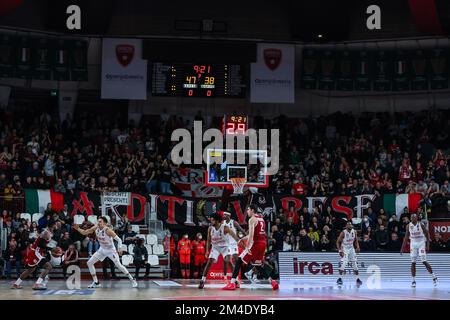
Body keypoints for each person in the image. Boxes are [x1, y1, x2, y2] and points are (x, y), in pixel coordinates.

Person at [222, 204, 279, 291]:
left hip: (255, 244)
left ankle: (232, 283)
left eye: (248, 210)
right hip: (262, 244)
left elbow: (251, 235)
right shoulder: (261, 219)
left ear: (252, 210)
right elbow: (255, 234)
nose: (247, 211)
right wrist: (243, 238)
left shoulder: (252, 219)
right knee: (258, 265)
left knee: (238, 261)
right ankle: (273, 282)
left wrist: (247, 247)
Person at [73, 216, 138, 288]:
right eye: (98, 221)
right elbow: (84, 232)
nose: (98, 223)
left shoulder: (108, 230)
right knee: (89, 262)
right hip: (102, 249)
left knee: (119, 265)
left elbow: (119, 240)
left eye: (100, 221)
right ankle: (96, 282)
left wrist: (119, 248)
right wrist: (78, 229)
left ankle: (132, 279)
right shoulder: (95, 228)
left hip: (111, 250)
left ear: (105, 223)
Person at [198, 213, 238, 289]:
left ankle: (235, 280)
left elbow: (235, 236)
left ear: (217, 220)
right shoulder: (210, 228)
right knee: (209, 261)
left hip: (225, 246)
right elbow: (209, 240)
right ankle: (202, 281)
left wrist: (241, 242)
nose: (211, 221)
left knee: (228, 261)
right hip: (215, 247)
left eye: (212, 220)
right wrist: (207, 251)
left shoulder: (225, 228)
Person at [11, 224, 56, 290]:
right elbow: (40, 245)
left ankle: (16, 284)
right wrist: (50, 249)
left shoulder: (46, 233)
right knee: (48, 266)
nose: (56, 226)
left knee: (30, 270)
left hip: (33, 252)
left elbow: (39, 243)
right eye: (55, 225)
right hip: (35, 252)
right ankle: (37, 284)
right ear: (52, 226)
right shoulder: (46, 233)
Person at [401, 213, 438, 288]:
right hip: (413, 244)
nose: (413, 218)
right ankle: (413, 281)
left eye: (414, 217)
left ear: (417, 218)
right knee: (413, 263)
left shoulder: (421, 225)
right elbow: (406, 237)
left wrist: (428, 245)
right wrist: (402, 248)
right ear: (410, 218)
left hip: (421, 242)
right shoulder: (408, 226)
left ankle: (434, 277)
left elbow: (427, 234)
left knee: (424, 261)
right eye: (411, 217)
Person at [222, 211, 247, 281]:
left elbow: (241, 230)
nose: (223, 216)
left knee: (236, 260)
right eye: (223, 215)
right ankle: (230, 277)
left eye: (225, 215)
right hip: (226, 244)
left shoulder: (233, 222)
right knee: (227, 260)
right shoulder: (223, 223)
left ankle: (237, 277)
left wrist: (247, 236)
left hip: (233, 243)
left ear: (229, 216)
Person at [336, 221, 362, 287]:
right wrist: (339, 251)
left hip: (351, 248)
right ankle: (339, 278)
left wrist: (358, 247)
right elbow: (338, 242)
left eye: (350, 224)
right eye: (348, 224)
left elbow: (356, 240)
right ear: (346, 226)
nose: (350, 225)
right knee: (344, 263)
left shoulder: (354, 231)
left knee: (355, 264)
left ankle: (357, 279)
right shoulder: (343, 232)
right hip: (344, 248)